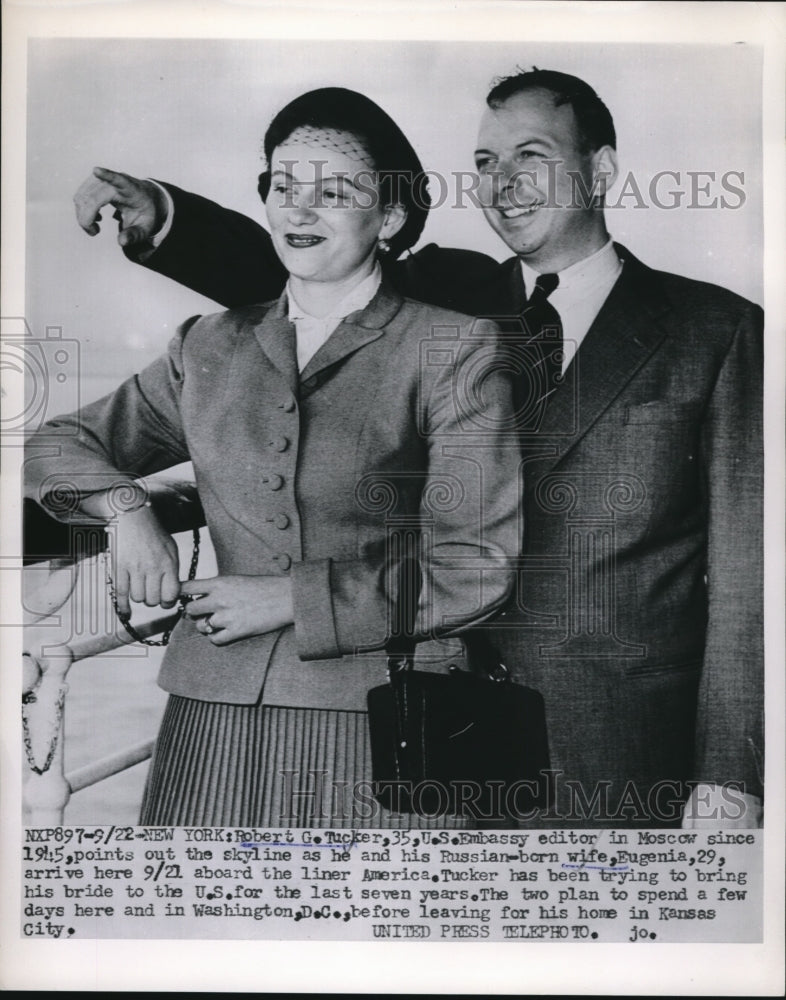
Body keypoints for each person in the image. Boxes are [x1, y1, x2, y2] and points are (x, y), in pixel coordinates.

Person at [72, 69, 764, 828]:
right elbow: (309, 258)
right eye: (485, 164)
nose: (503, 183)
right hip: (430, 729)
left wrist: (731, 770)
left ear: (599, 169)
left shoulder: (714, 331)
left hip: (616, 744)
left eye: (529, 155)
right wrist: (167, 217)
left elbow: (749, 575)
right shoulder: (450, 295)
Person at [27, 87, 521, 828]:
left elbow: (478, 563)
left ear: (388, 217)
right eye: (283, 187)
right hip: (209, 717)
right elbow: (55, 443)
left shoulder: (454, 347)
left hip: (377, 718)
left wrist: (290, 597)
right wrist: (125, 508)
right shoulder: (207, 344)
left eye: (333, 192)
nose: (298, 211)